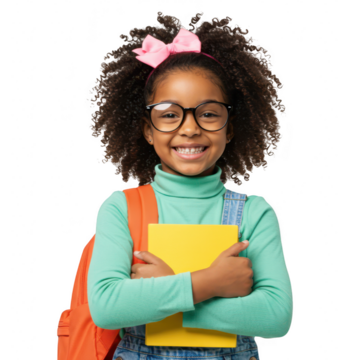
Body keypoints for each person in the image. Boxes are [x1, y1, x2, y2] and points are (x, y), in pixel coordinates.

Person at [85, 11, 293, 360]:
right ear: (148, 129)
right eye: (169, 113)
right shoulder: (121, 208)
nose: (190, 128)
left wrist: (166, 292)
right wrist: (208, 283)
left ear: (229, 127)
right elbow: (107, 307)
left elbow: (276, 317)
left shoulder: (254, 213)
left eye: (208, 113)